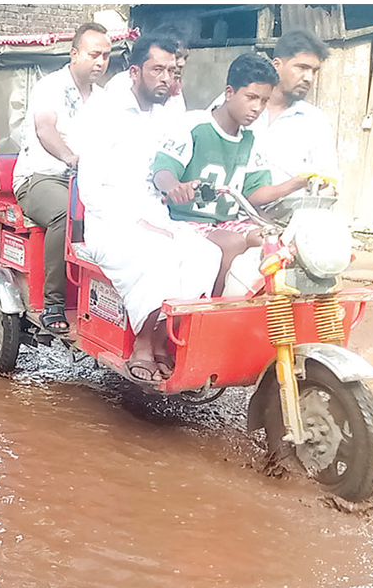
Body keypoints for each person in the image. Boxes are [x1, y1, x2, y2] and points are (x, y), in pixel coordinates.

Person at [76, 34, 222, 383]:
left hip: (155, 216)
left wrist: (177, 191)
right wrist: (139, 222)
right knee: (159, 254)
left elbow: (166, 170)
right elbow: (90, 190)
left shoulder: (169, 113)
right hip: (110, 221)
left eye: (171, 71)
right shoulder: (105, 110)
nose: (166, 78)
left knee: (206, 254)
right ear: (135, 71)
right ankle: (143, 343)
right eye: (157, 70)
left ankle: (161, 339)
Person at [154, 53, 311, 295]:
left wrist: (295, 183)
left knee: (273, 241)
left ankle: (255, 308)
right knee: (234, 242)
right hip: (185, 222)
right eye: (251, 97)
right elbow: (163, 170)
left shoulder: (251, 138)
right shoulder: (194, 125)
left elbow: (255, 193)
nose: (257, 108)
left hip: (227, 221)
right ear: (229, 93)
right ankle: (211, 307)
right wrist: (175, 186)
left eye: (264, 100)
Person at [12, 22, 113, 334]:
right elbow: (45, 129)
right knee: (64, 214)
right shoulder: (50, 87)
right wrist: (71, 158)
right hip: (40, 177)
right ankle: (54, 302)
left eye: (106, 56)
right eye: (94, 54)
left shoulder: (104, 98)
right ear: (74, 54)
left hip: (87, 181)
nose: (101, 62)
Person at [249, 29, 338, 197]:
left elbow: (329, 185)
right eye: (302, 68)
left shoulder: (315, 121)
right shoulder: (240, 104)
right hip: (232, 215)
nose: (309, 78)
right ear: (276, 65)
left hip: (289, 218)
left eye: (314, 71)